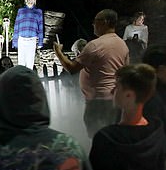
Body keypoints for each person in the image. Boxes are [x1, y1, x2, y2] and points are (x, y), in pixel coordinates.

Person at [53, 9, 129, 138]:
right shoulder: (122, 44)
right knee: (113, 135)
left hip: (97, 101)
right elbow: (125, 72)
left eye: (95, 21)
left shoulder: (95, 45)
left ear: (104, 22)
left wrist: (58, 52)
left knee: (96, 136)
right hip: (115, 99)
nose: (93, 24)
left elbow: (72, 68)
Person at [12, 0, 44, 69]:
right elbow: (16, 26)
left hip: (32, 40)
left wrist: (40, 42)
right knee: (21, 64)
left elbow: (40, 27)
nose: (30, 0)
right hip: (21, 40)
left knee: (30, 64)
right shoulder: (21, 11)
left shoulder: (38, 11)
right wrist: (15, 41)